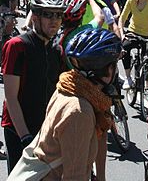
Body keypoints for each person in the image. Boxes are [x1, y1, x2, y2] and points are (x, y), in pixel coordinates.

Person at [17, 28, 122, 181]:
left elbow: (101, 134)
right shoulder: (79, 112)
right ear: (108, 69)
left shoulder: (70, 87)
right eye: (114, 64)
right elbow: (74, 176)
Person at [1, 0, 66, 173]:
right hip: (19, 129)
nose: (54, 20)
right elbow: (11, 98)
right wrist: (25, 137)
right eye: (48, 14)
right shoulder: (17, 46)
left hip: (45, 130)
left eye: (58, 15)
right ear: (35, 17)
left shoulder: (57, 50)